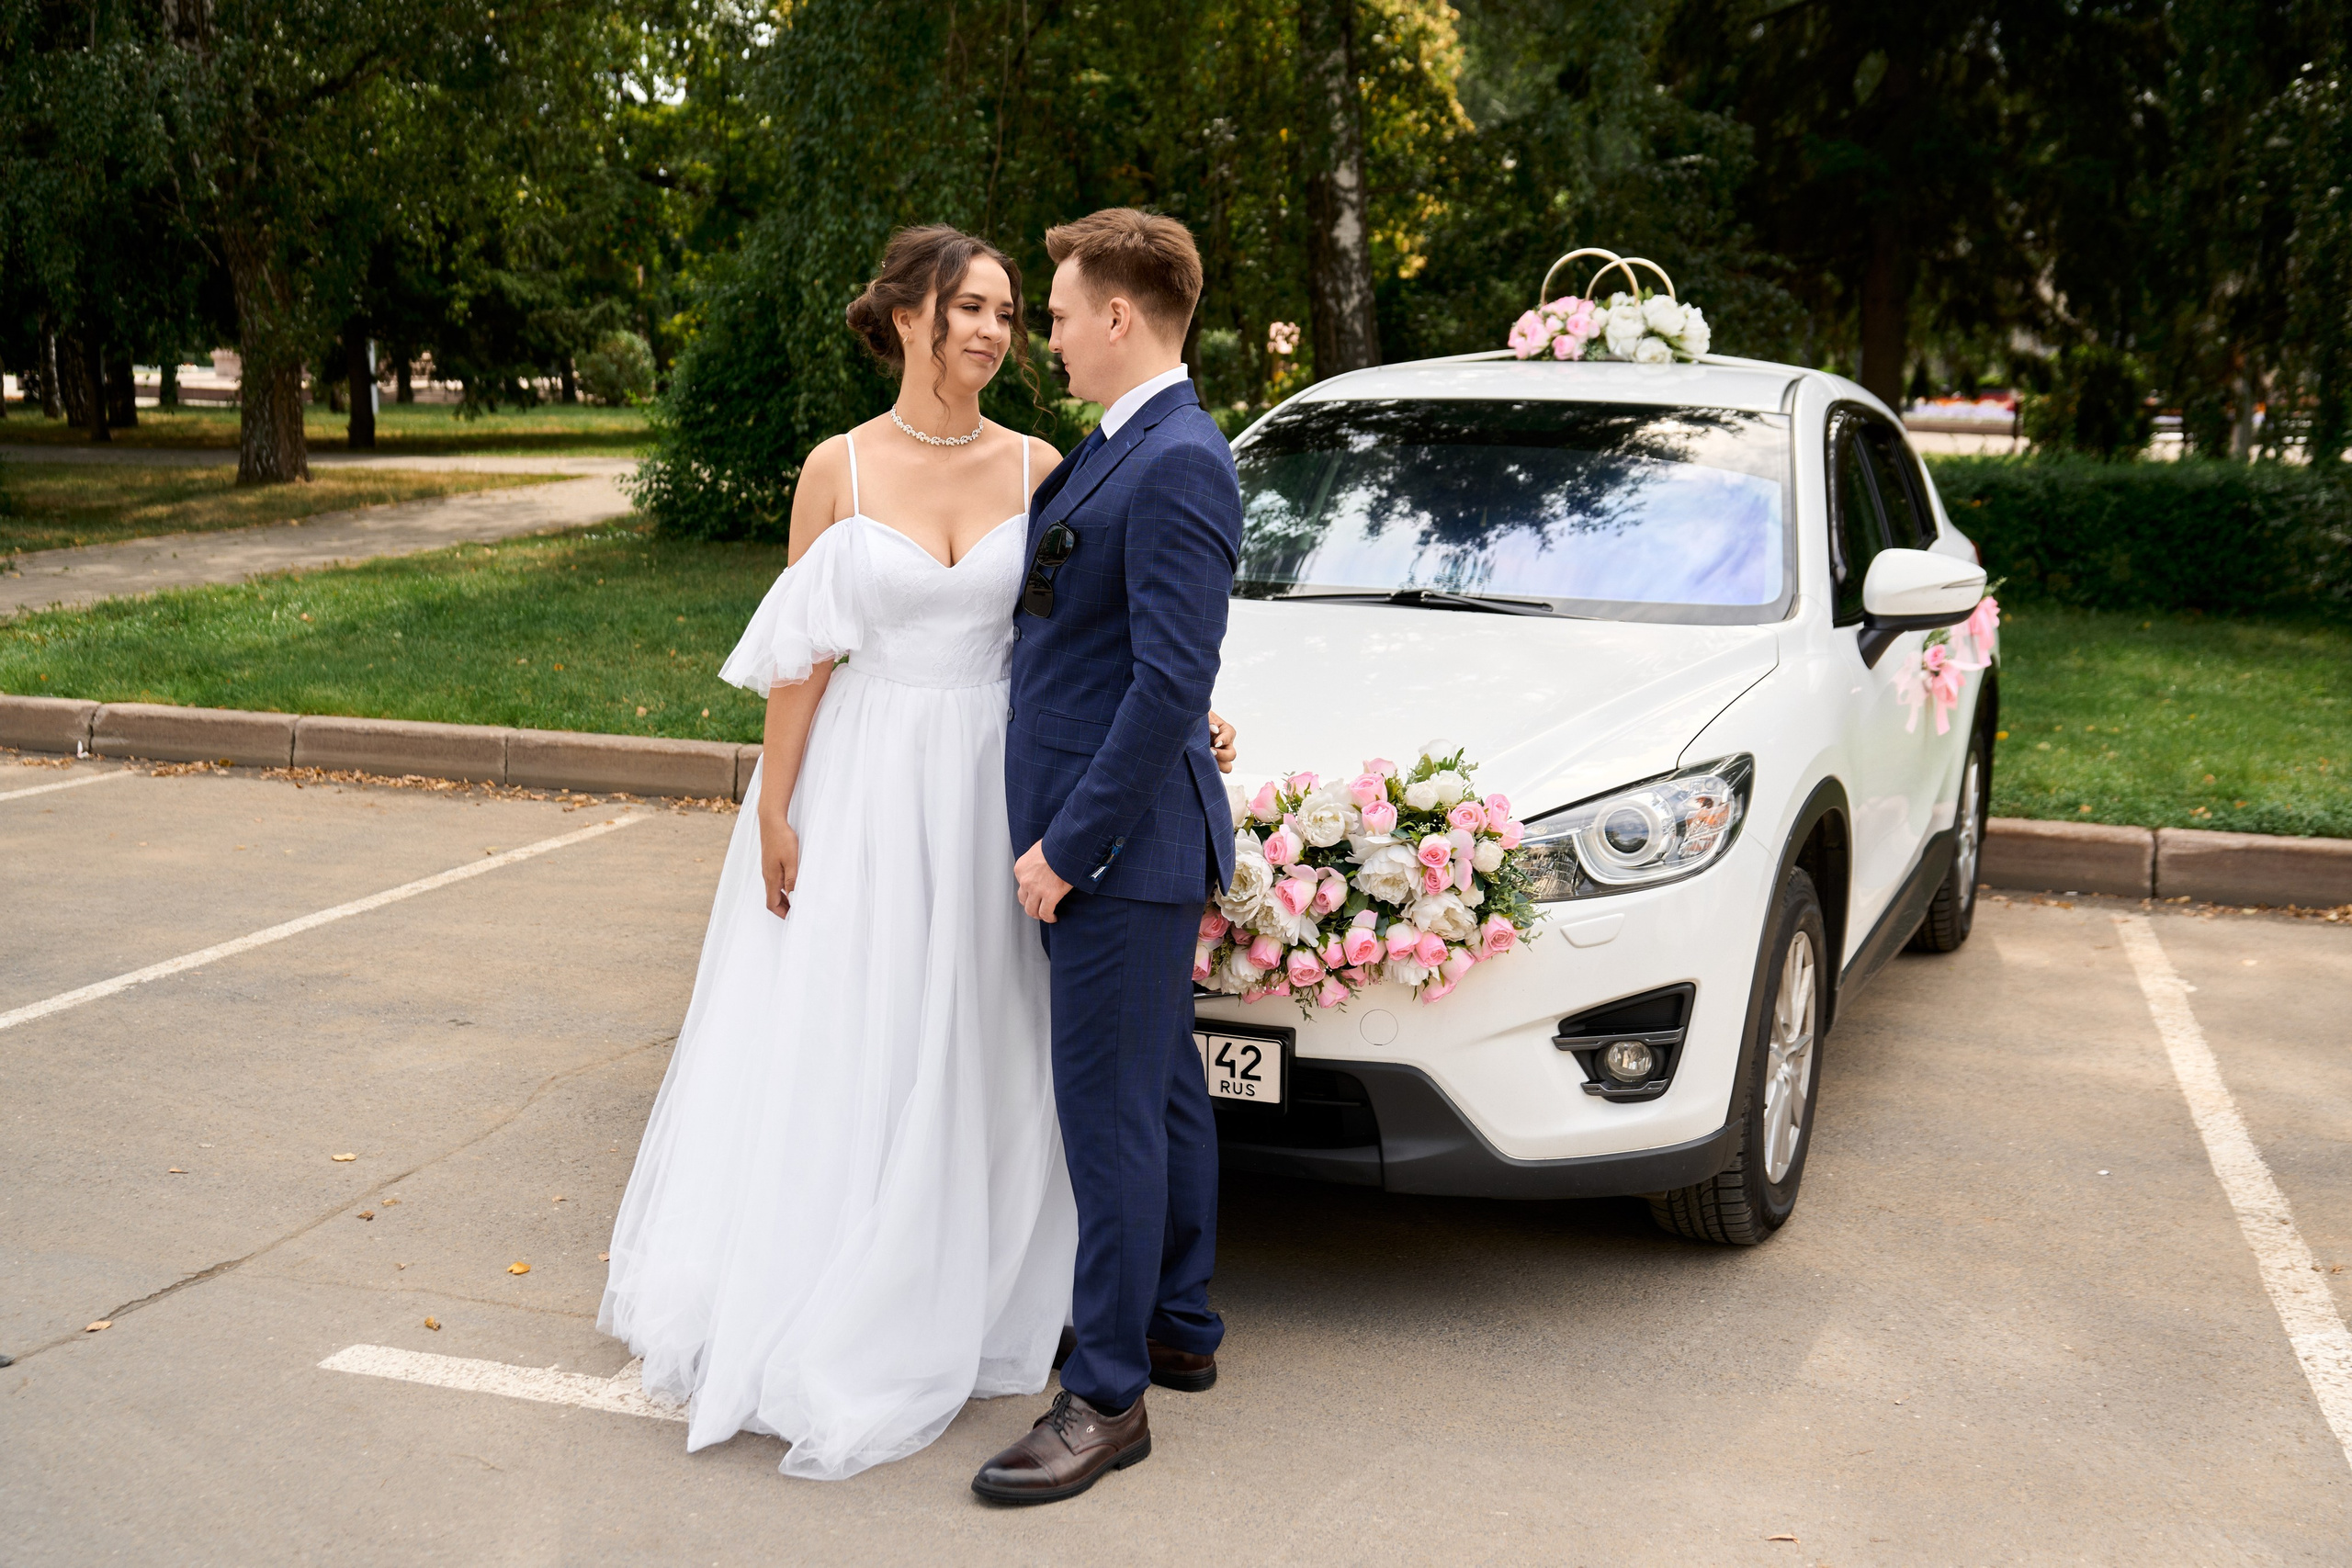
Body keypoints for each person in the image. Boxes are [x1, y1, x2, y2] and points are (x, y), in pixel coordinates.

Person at [598, 224, 1237, 1482]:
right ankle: (866, 1259)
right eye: (979, 309)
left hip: (1001, 794)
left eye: (1019, 310)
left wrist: (1183, 708)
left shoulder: (1051, 462)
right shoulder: (835, 469)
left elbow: (1085, 628)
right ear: (908, 319)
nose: (1004, 333)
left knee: (999, 1040)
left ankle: (1059, 1302)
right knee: (867, 1028)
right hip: (868, 782)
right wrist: (777, 807)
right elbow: (803, 656)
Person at [973, 209, 1244, 1504]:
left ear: (1122, 318)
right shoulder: (1119, 446)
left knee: (1114, 1120)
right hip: (1123, 839)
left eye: (1065, 314)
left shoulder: (1182, 459)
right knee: (1167, 1095)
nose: (1053, 337)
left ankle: (1107, 1397)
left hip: (1116, 853)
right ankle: (1179, 1324)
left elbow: (1168, 680)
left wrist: (1066, 849)